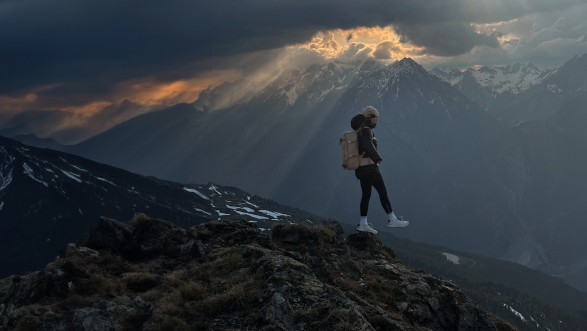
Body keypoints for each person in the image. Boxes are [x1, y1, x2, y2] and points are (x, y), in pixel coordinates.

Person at [354, 106, 409, 234]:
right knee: (382, 191)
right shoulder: (367, 130)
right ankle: (392, 219)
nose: (376, 120)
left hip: (360, 169)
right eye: (375, 118)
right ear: (369, 118)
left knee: (366, 195)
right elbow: (368, 145)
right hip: (370, 168)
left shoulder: (358, 130)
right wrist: (377, 158)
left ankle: (363, 223)